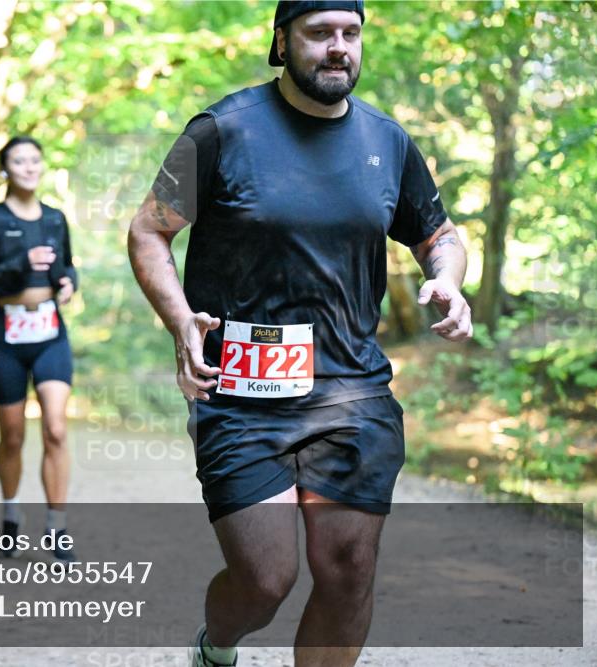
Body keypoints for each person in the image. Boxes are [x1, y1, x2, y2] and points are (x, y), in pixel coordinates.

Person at [127, 2, 473, 665]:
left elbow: (439, 235)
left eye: (350, 33)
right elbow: (150, 229)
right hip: (238, 387)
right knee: (265, 579)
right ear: (282, 42)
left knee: (348, 567)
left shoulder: (388, 142)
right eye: (319, 34)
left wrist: (449, 279)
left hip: (350, 387)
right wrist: (179, 320)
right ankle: (216, 645)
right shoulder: (222, 130)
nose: (338, 47)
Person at [0, 136, 79, 563]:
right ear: (4, 171)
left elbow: (67, 266)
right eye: (19, 161)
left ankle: (57, 526)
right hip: (6, 337)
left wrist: (69, 283)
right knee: (12, 436)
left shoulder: (55, 218)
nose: (29, 167)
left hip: (50, 332)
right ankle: (11, 516)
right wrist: (18, 263)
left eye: (35, 159)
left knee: (55, 429)